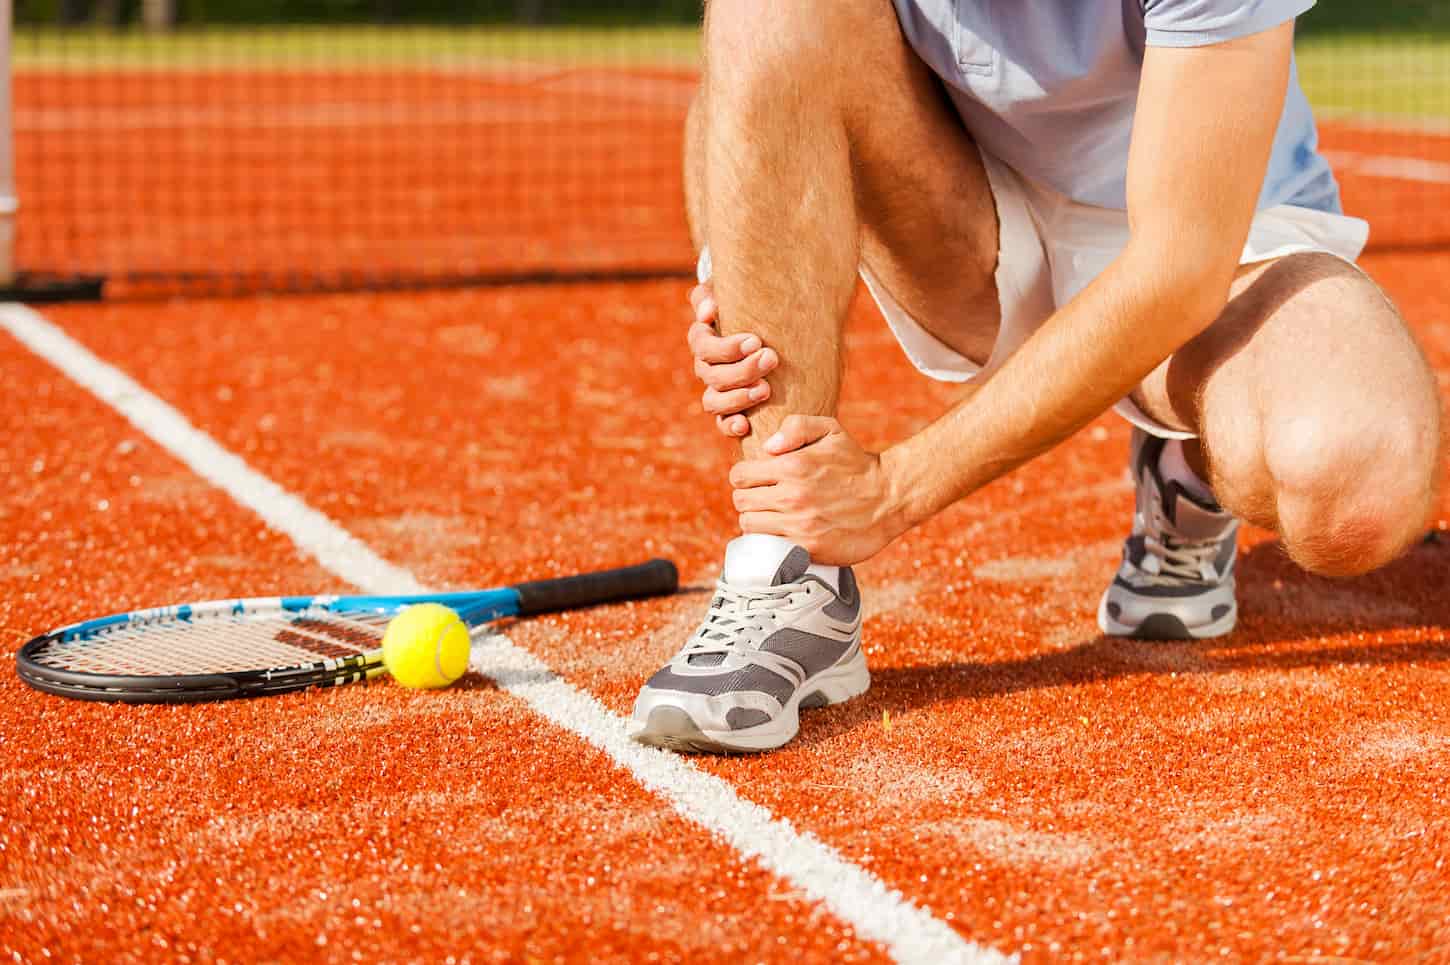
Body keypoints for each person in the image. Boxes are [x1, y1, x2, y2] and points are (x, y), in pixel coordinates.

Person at [628, 0, 1444, 754]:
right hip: (972, 209)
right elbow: (751, 54)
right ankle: (790, 564)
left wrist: (891, 490)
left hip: (1219, 242)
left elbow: (1179, 269)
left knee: (1354, 477)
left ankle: (1188, 461)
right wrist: (731, 267)